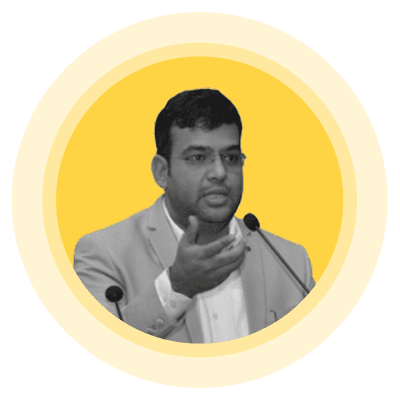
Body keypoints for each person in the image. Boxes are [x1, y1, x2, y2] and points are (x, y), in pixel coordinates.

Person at [74, 89, 315, 343]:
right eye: (198, 158)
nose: (220, 172)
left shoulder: (291, 261)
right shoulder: (104, 254)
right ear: (162, 172)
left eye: (231, 157)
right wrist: (177, 287)